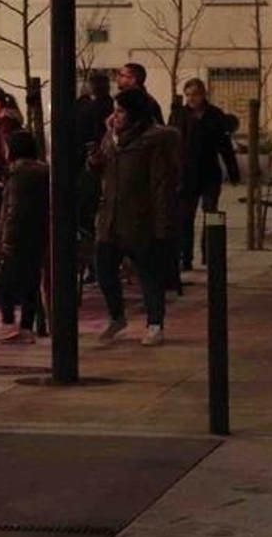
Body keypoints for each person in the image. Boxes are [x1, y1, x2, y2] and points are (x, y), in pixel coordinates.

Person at [92, 90, 181, 346]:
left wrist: (162, 225)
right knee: (104, 268)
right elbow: (104, 173)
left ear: (135, 114)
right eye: (114, 110)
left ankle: (155, 324)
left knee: (148, 272)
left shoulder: (153, 141)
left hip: (141, 217)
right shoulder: (111, 137)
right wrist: (95, 164)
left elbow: (161, 185)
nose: (115, 116)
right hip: (110, 215)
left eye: (120, 111)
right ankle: (117, 317)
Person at [0, 132, 49, 345]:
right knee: (31, 281)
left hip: (16, 234)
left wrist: (7, 239)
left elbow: (14, 209)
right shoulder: (42, 172)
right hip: (37, 233)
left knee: (0, 276)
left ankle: (8, 323)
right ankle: (26, 327)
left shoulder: (18, 175)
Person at [175, 78, 233, 271]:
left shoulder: (215, 115)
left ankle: (210, 254)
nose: (191, 98)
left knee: (211, 215)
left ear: (203, 94)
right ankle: (186, 257)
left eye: (195, 94)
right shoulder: (179, 115)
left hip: (209, 174)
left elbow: (224, 145)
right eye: (188, 95)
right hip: (186, 175)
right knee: (185, 218)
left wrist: (233, 171)